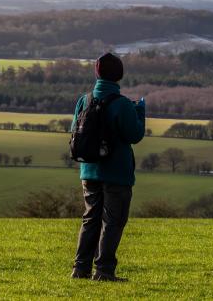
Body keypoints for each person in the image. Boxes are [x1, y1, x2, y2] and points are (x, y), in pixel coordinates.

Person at [70, 53, 146, 282]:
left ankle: (80, 268)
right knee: (112, 221)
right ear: (119, 75)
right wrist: (139, 113)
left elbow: (75, 128)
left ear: (97, 73)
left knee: (90, 219)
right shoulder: (122, 104)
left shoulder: (84, 100)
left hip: (89, 170)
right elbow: (134, 135)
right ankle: (103, 270)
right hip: (116, 172)